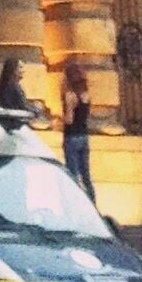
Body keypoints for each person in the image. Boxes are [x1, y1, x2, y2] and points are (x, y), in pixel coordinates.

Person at [61, 62, 94, 195]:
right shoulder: (86, 95)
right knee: (86, 175)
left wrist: (60, 120)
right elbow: (86, 116)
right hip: (84, 136)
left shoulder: (70, 95)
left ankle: (76, 203)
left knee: (73, 174)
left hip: (72, 137)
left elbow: (69, 119)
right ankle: (92, 203)